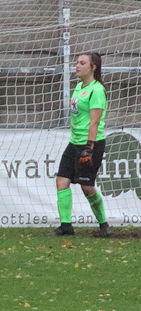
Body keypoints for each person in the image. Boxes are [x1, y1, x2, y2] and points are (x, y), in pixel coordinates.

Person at [54, 52, 112, 237]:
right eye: (77, 62)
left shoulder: (97, 90)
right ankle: (66, 227)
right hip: (74, 143)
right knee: (62, 181)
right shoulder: (79, 86)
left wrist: (89, 147)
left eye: (82, 63)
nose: (77, 66)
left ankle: (104, 225)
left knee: (87, 187)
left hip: (91, 144)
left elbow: (94, 122)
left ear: (93, 67)